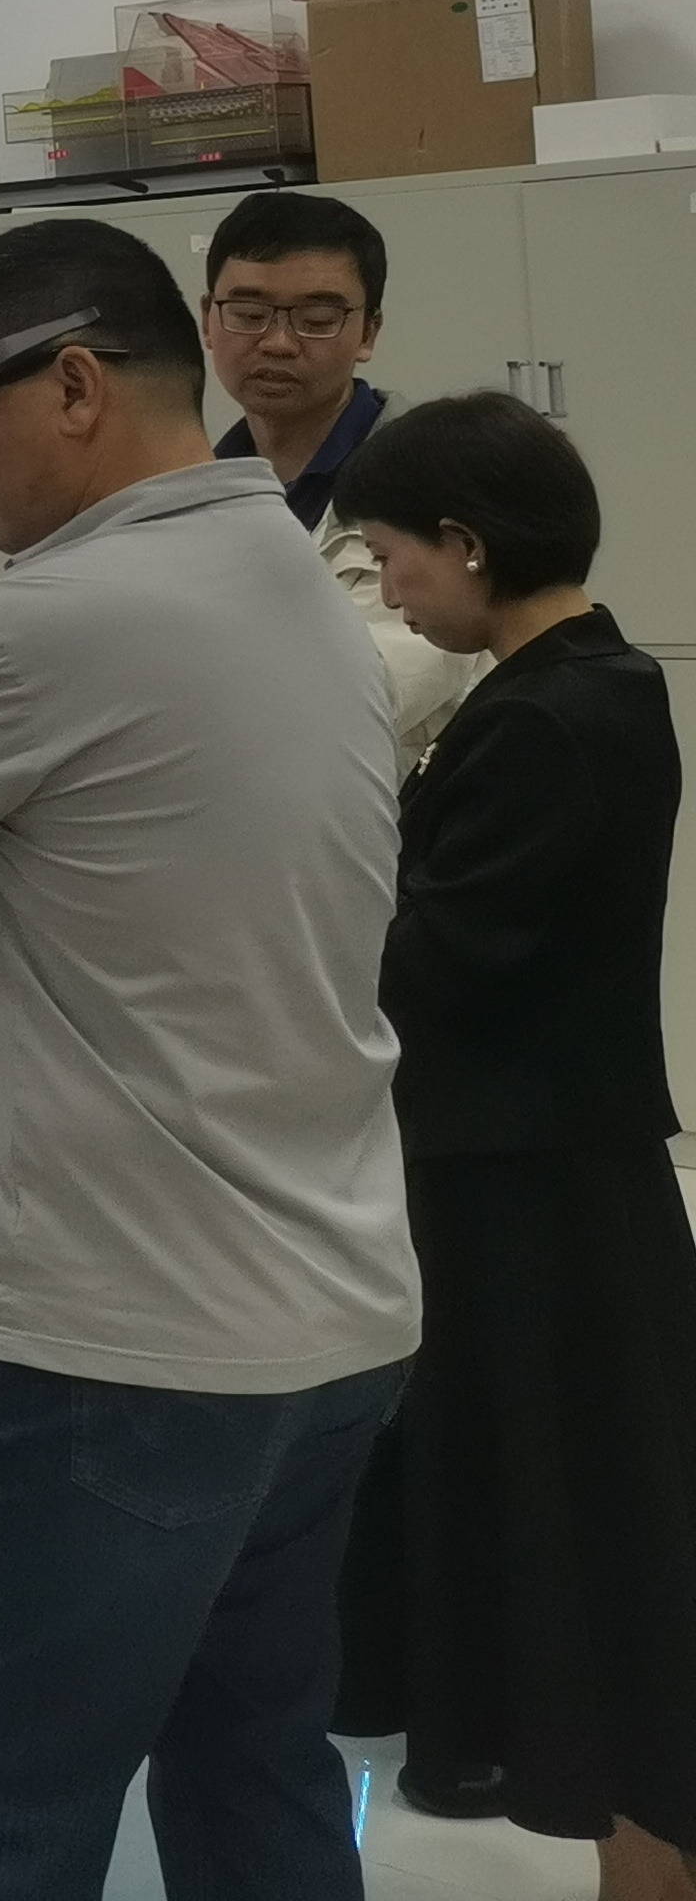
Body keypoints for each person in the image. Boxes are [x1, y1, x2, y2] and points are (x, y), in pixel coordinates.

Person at [0, 217, 418, 1901]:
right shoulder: (289, 570)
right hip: (327, 1315)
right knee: (257, 1773)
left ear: (70, 385)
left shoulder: (44, 621)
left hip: (103, 1351)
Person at [324, 392, 696, 1901]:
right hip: (534, 1160)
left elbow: (438, 961)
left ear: (467, 544)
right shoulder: (578, 684)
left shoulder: (552, 715)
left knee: (580, 1531)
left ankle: (638, 1844)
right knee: (581, 1518)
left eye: (393, 559)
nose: (391, 591)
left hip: (528, 1190)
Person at [201, 190, 484, 770]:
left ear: (368, 334)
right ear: (208, 319)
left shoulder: (438, 484)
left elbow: (363, 696)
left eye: (317, 321)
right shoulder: (203, 486)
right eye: (249, 315)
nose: (278, 343)